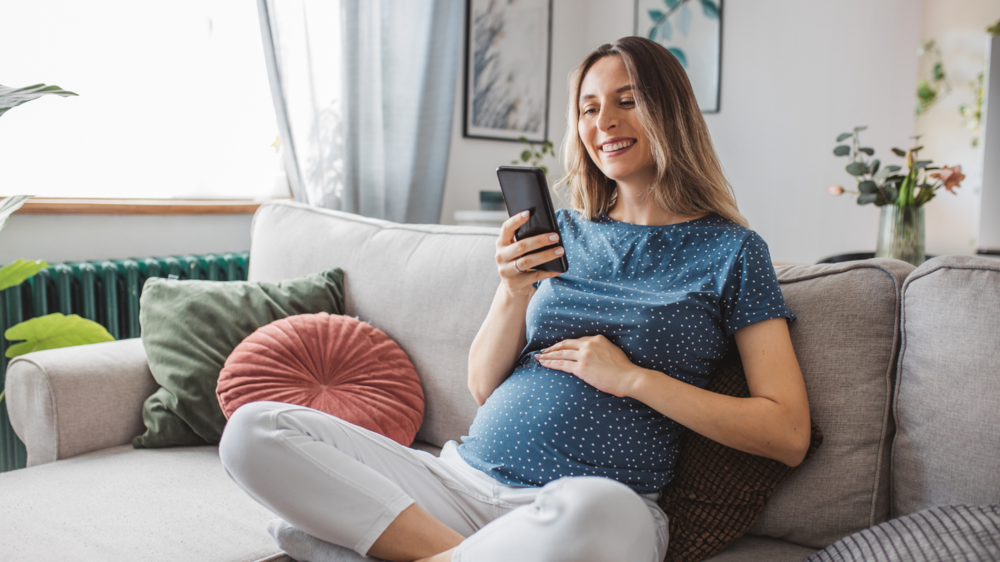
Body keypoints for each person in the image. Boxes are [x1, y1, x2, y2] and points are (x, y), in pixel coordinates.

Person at [219, 36, 811, 562]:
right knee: (254, 429)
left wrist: (633, 379)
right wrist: (511, 291)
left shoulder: (733, 251)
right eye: (589, 108)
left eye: (627, 101)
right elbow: (482, 385)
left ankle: (378, 547)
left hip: (586, 507)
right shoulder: (562, 232)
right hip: (459, 484)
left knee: (605, 513)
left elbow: (787, 432)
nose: (605, 121)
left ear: (671, 111)